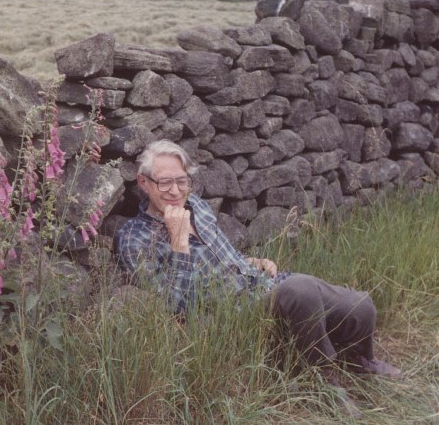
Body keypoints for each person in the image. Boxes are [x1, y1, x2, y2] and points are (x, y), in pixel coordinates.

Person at [115, 139, 401, 418]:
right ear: (144, 183)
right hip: (232, 311)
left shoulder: (197, 206)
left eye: (182, 181)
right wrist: (179, 243)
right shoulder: (133, 237)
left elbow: (218, 253)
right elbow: (174, 303)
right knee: (300, 290)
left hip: (259, 283)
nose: (175, 190)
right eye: (164, 182)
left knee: (359, 303)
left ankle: (360, 359)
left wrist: (250, 262)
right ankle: (324, 381)